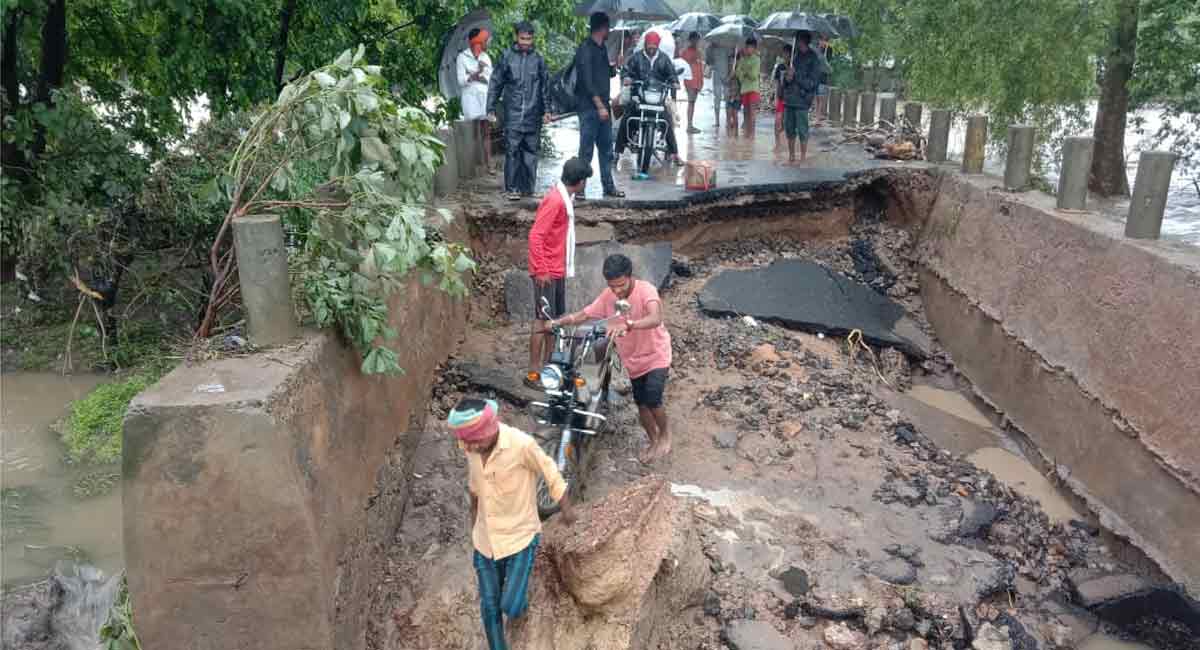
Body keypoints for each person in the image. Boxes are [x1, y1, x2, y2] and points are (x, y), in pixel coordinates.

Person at [451, 397, 575, 650]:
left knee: (511, 605)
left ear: (489, 430)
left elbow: (550, 471)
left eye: (474, 441)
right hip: (486, 543)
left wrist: (568, 512)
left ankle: (526, 607)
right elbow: (475, 490)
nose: (469, 447)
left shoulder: (521, 445)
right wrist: (474, 526)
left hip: (520, 539)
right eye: (467, 442)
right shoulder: (472, 448)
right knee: (489, 607)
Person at [550, 254, 673, 463]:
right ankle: (653, 440)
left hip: (656, 355)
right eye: (612, 286)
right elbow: (585, 314)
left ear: (630, 276)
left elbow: (655, 318)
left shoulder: (646, 291)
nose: (617, 291)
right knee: (641, 404)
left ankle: (665, 436)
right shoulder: (608, 296)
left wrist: (629, 324)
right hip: (633, 361)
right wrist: (560, 322)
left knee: (653, 399)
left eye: (621, 285)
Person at [526, 158, 592, 388]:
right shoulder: (556, 201)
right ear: (581, 182)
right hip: (547, 271)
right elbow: (535, 236)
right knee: (541, 321)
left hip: (556, 268)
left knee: (552, 322)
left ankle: (548, 370)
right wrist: (542, 269)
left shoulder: (564, 196)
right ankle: (533, 374)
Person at [488, 21, 553, 200]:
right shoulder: (506, 56)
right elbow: (496, 83)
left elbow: (545, 87)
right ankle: (512, 189)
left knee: (531, 152)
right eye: (523, 38)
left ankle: (528, 189)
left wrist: (547, 110)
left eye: (529, 39)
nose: (526, 42)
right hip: (513, 114)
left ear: (533, 38)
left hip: (533, 113)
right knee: (512, 151)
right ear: (516, 37)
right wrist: (491, 108)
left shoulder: (538, 58)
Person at [573, 12, 624, 199]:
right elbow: (587, 81)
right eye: (608, 27)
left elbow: (605, 74)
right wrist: (599, 106)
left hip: (603, 105)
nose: (609, 30)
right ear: (602, 28)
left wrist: (615, 66)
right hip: (589, 107)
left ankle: (608, 187)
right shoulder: (585, 49)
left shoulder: (602, 48)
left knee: (606, 150)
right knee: (586, 151)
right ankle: (580, 190)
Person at [616, 31, 683, 167]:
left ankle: (675, 154)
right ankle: (617, 153)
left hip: (658, 99)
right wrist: (627, 78)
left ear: (658, 46)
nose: (651, 49)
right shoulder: (636, 57)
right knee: (626, 118)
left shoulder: (664, 59)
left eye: (654, 47)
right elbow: (626, 71)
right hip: (639, 97)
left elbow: (672, 74)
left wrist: (675, 82)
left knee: (668, 121)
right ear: (645, 44)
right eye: (649, 46)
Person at [781, 31, 824, 164]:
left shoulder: (814, 59)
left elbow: (812, 83)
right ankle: (791, 157)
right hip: (790, 99)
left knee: (802, 130)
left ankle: (803, 158)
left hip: (802, 100)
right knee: (789, 129)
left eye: (797, 39)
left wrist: (796, 76)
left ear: (803, 41)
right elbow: (788, 80)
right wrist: (787, 78)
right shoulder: (795, 56)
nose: (795, 42)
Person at [457, 28, 494, 173]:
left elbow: (491, 78)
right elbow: (461, 81)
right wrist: (476, 74)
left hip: (484, 97)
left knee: (486, 131)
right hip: (470, 99)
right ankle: (470, 165)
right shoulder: (462, 57)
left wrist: (478, 76)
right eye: (485, 40)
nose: (487, 43)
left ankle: (489, 164)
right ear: (477, 42)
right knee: (471, 131)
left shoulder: (485, 57)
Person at [734, 38, 762, 137]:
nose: (748, 49)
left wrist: (744, 70)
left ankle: (752, 134)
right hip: (744, 88)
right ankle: (746, 133)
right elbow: (738, 73)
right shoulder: (742, 59)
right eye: (747, 47)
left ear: (754, 49)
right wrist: (745, 72)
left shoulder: (757, 59)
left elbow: (754, 75)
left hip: (753, 89)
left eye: (750, 47)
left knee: (752, 112)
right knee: (745, 112)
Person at [679, 32, 704, 134]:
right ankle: (689, 125)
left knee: (692, 103)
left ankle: (690, 124)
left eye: (697, 40)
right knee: (691, 102)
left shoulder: (699, 51)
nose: (696, 42)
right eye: (694, 40)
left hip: (697, 79)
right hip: (690, 80)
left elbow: (701, 65)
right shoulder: (685, 52)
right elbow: (683, 65)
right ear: (691, 40)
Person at [705, 42, 732, 132]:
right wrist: (709, 49)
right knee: (717, 98)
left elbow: (730, 61)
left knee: (727, 98)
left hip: (726, 77)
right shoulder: (711, 49)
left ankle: (728, 120)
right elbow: (708, 62)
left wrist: (729, 76)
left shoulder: (727, 47)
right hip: (717, 77)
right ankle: (717, 121)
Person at [771, 44, 793, 153]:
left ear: (791, 54)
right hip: (780, 97)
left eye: (787, 53)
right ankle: (778, 144)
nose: (785, 55)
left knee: (787, 123)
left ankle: (788, 145)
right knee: (777, 121)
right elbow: (776, 83)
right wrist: (775, 97)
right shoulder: (780, 67)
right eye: (784, 53)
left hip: (791, 99)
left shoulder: (794, 66)